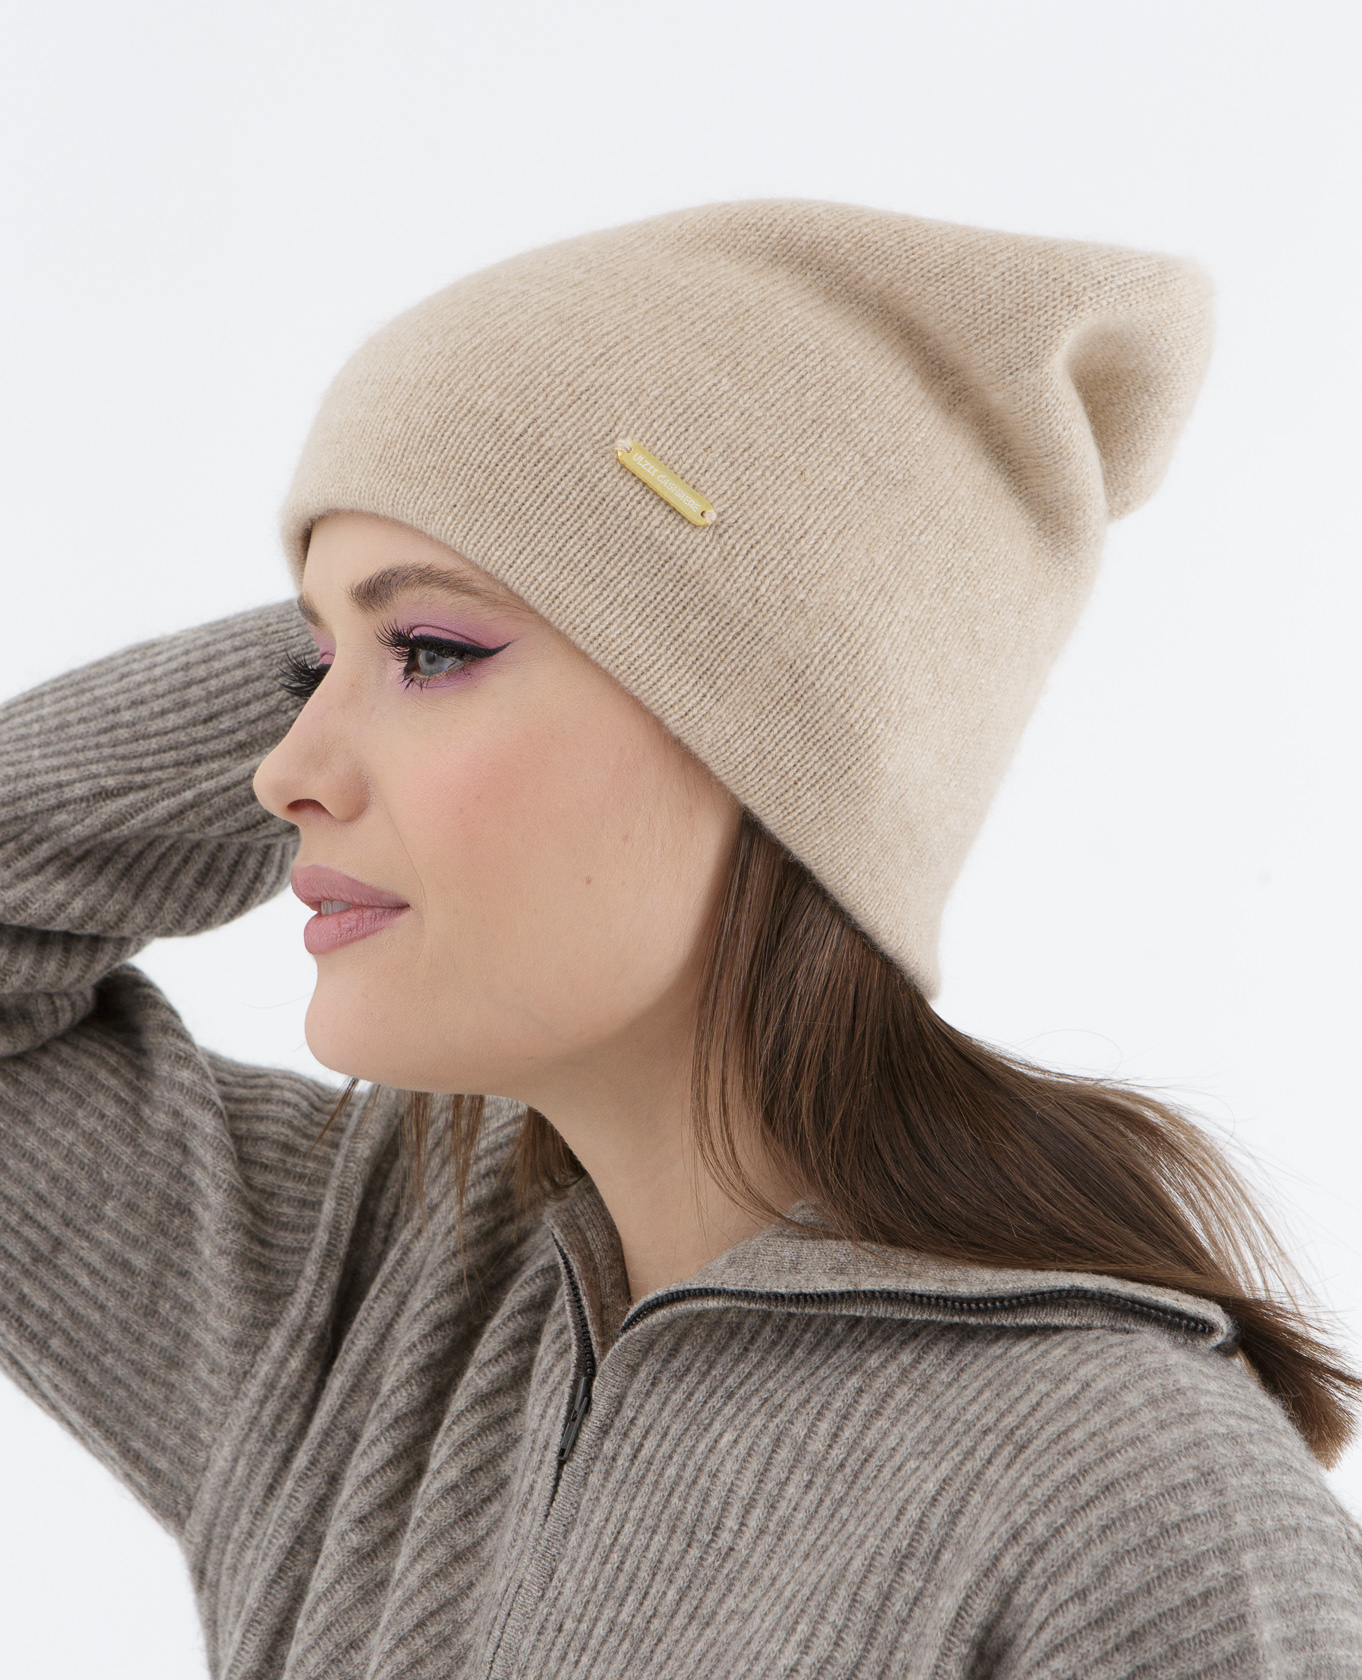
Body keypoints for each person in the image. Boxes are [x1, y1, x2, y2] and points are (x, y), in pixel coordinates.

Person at [1, 199, 1359, 1680]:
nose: (284, 773)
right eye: (307, 670)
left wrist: (736, 618)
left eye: (433, 652)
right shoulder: (379, 1305)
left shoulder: (1133, 1502)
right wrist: (442, 582)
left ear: (769, 743)